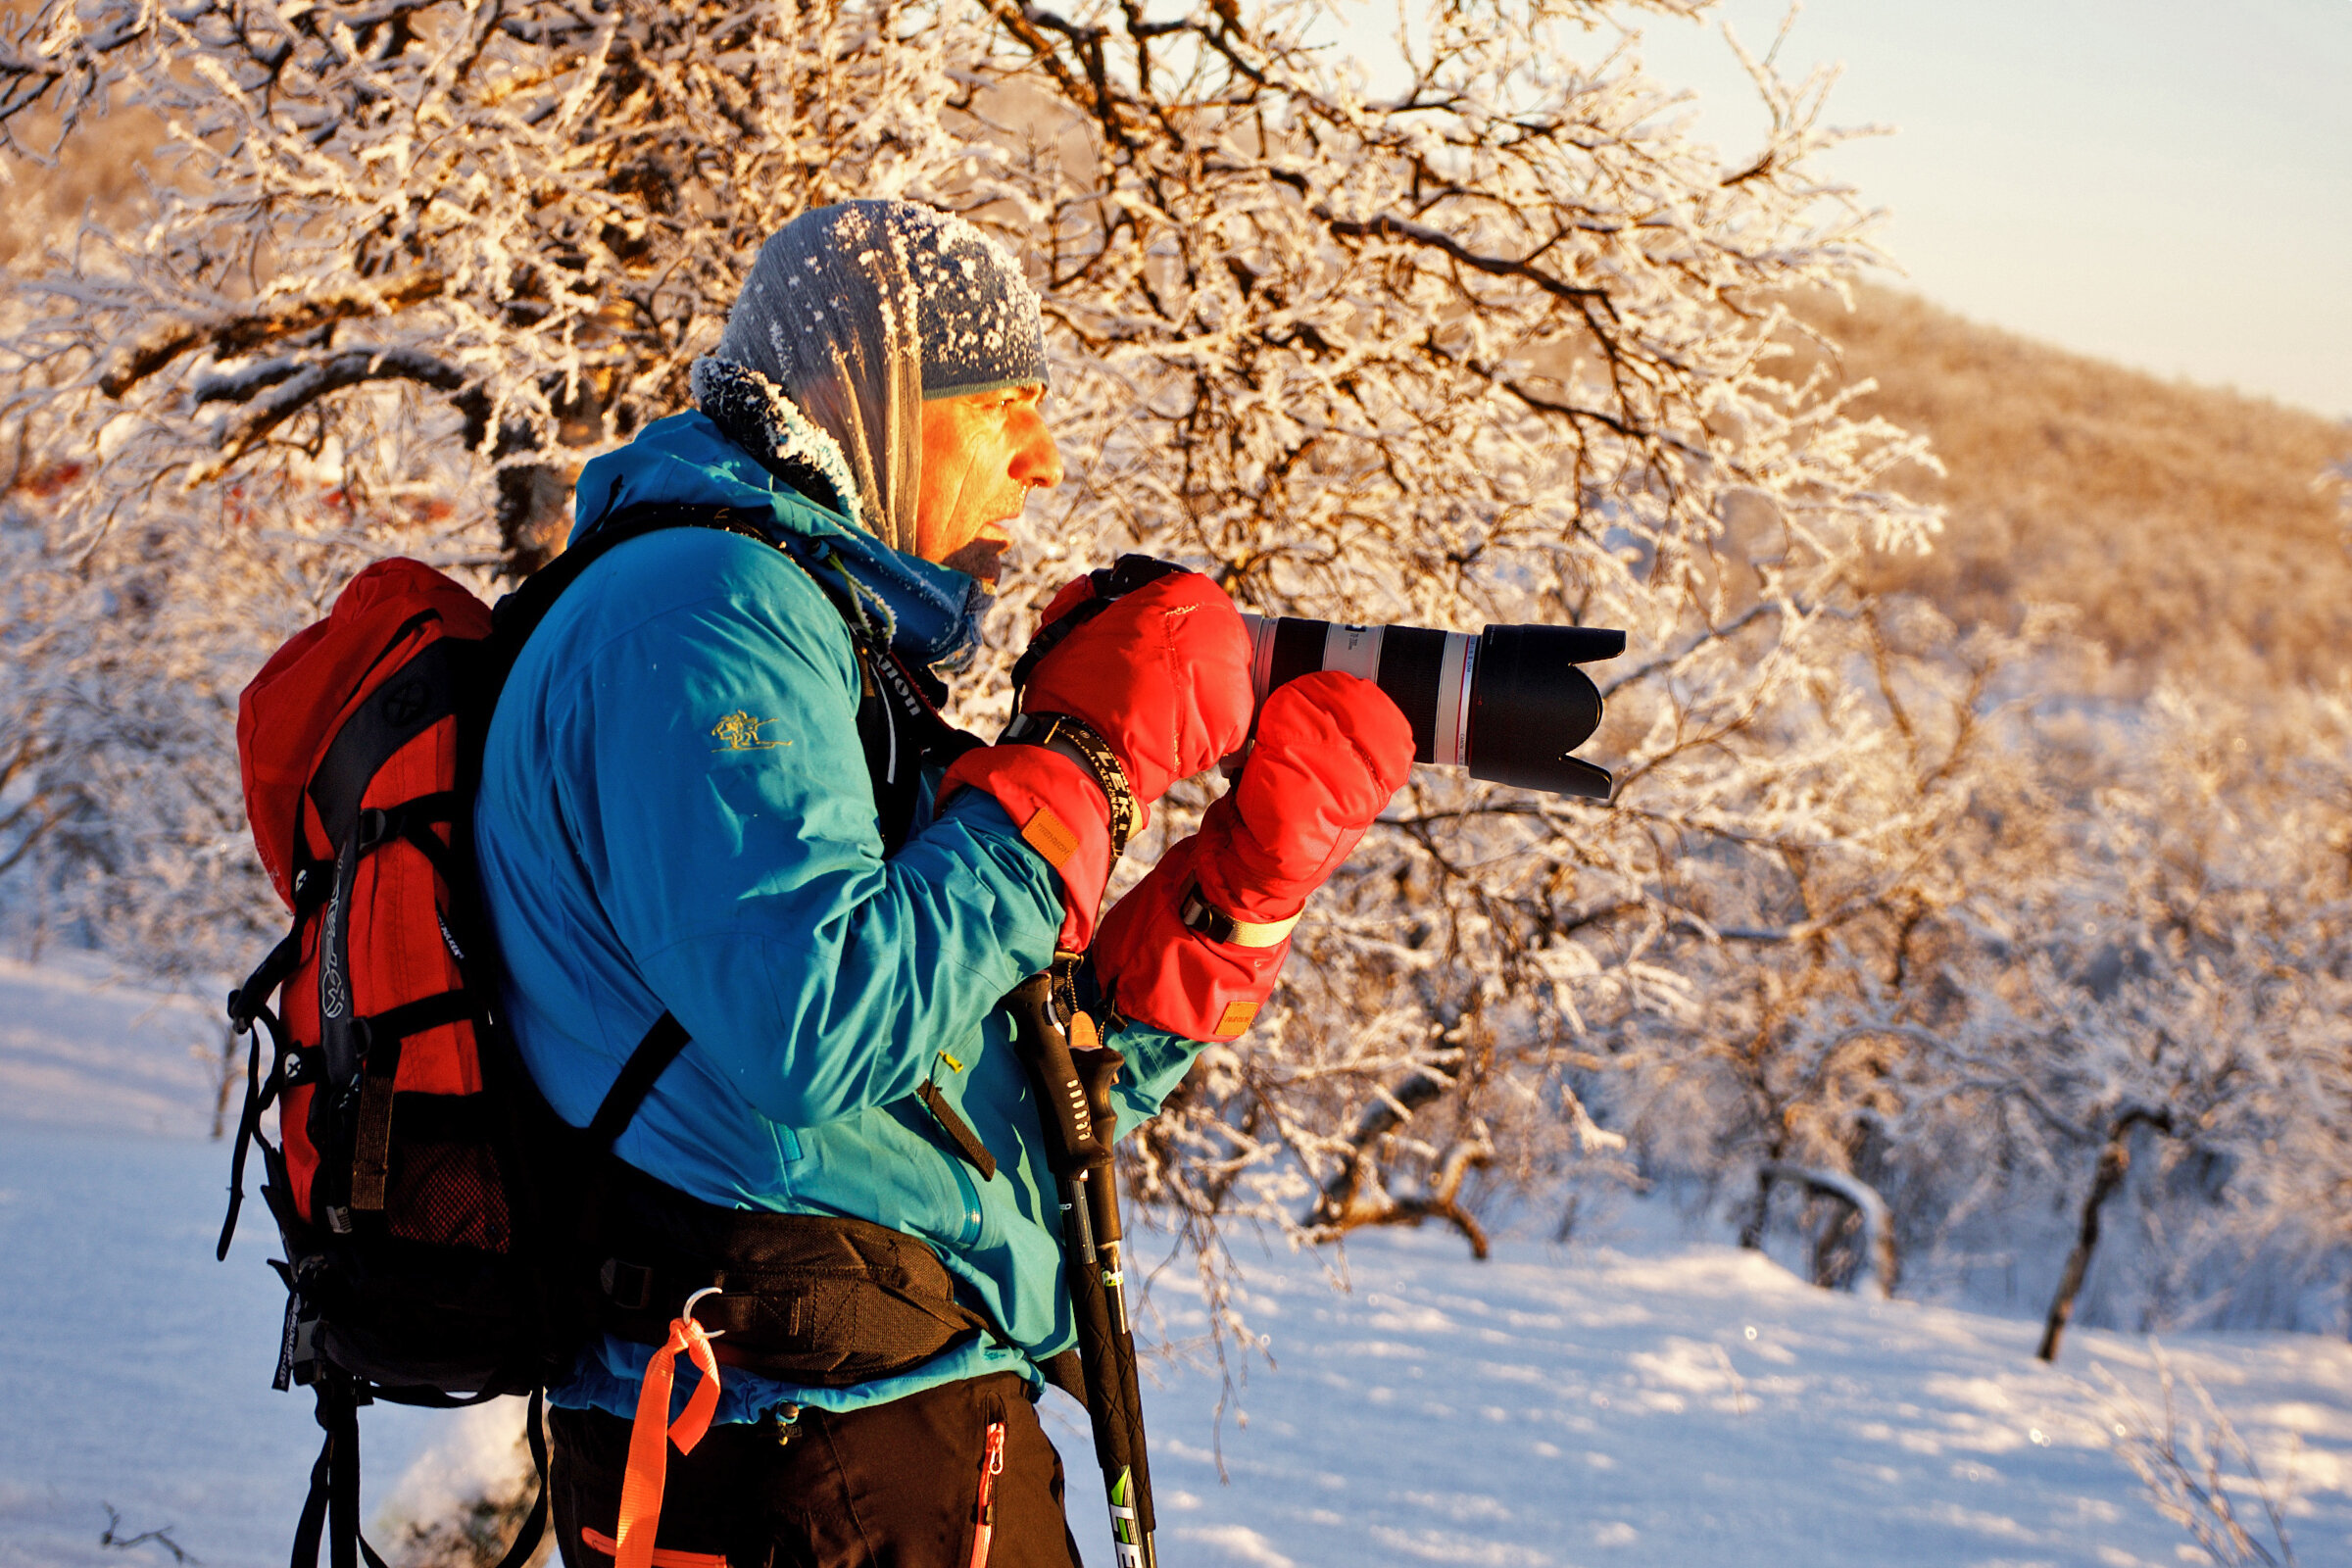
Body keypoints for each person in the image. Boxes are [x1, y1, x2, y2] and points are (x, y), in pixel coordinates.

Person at [473, 199, 1413, 1568]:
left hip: (870, 1435)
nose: (1041, 460)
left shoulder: (804, 626)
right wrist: (1082, 758)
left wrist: (1236, 896)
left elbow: (1004, 1113)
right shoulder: (704, 611)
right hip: (797, 1458)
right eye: (1005, 404)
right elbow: (818, 1024)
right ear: (876, 392)